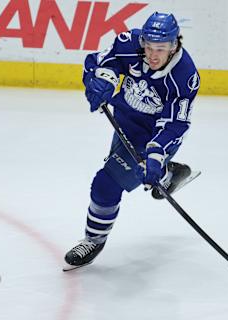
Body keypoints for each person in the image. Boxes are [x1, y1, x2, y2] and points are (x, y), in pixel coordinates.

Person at [64, 12, 200, 270]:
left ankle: (93, 240)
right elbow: (99, 62)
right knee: (134, 173)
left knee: (106, 184)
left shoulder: (185, 75)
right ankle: (168, 174)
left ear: (175, 44)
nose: (153, 55)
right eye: (149, 47)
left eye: (160, 48)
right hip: (125, 122)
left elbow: (175, 124)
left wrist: (156, 155)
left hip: (154, 136)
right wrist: (100, 82)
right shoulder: (129, 43)